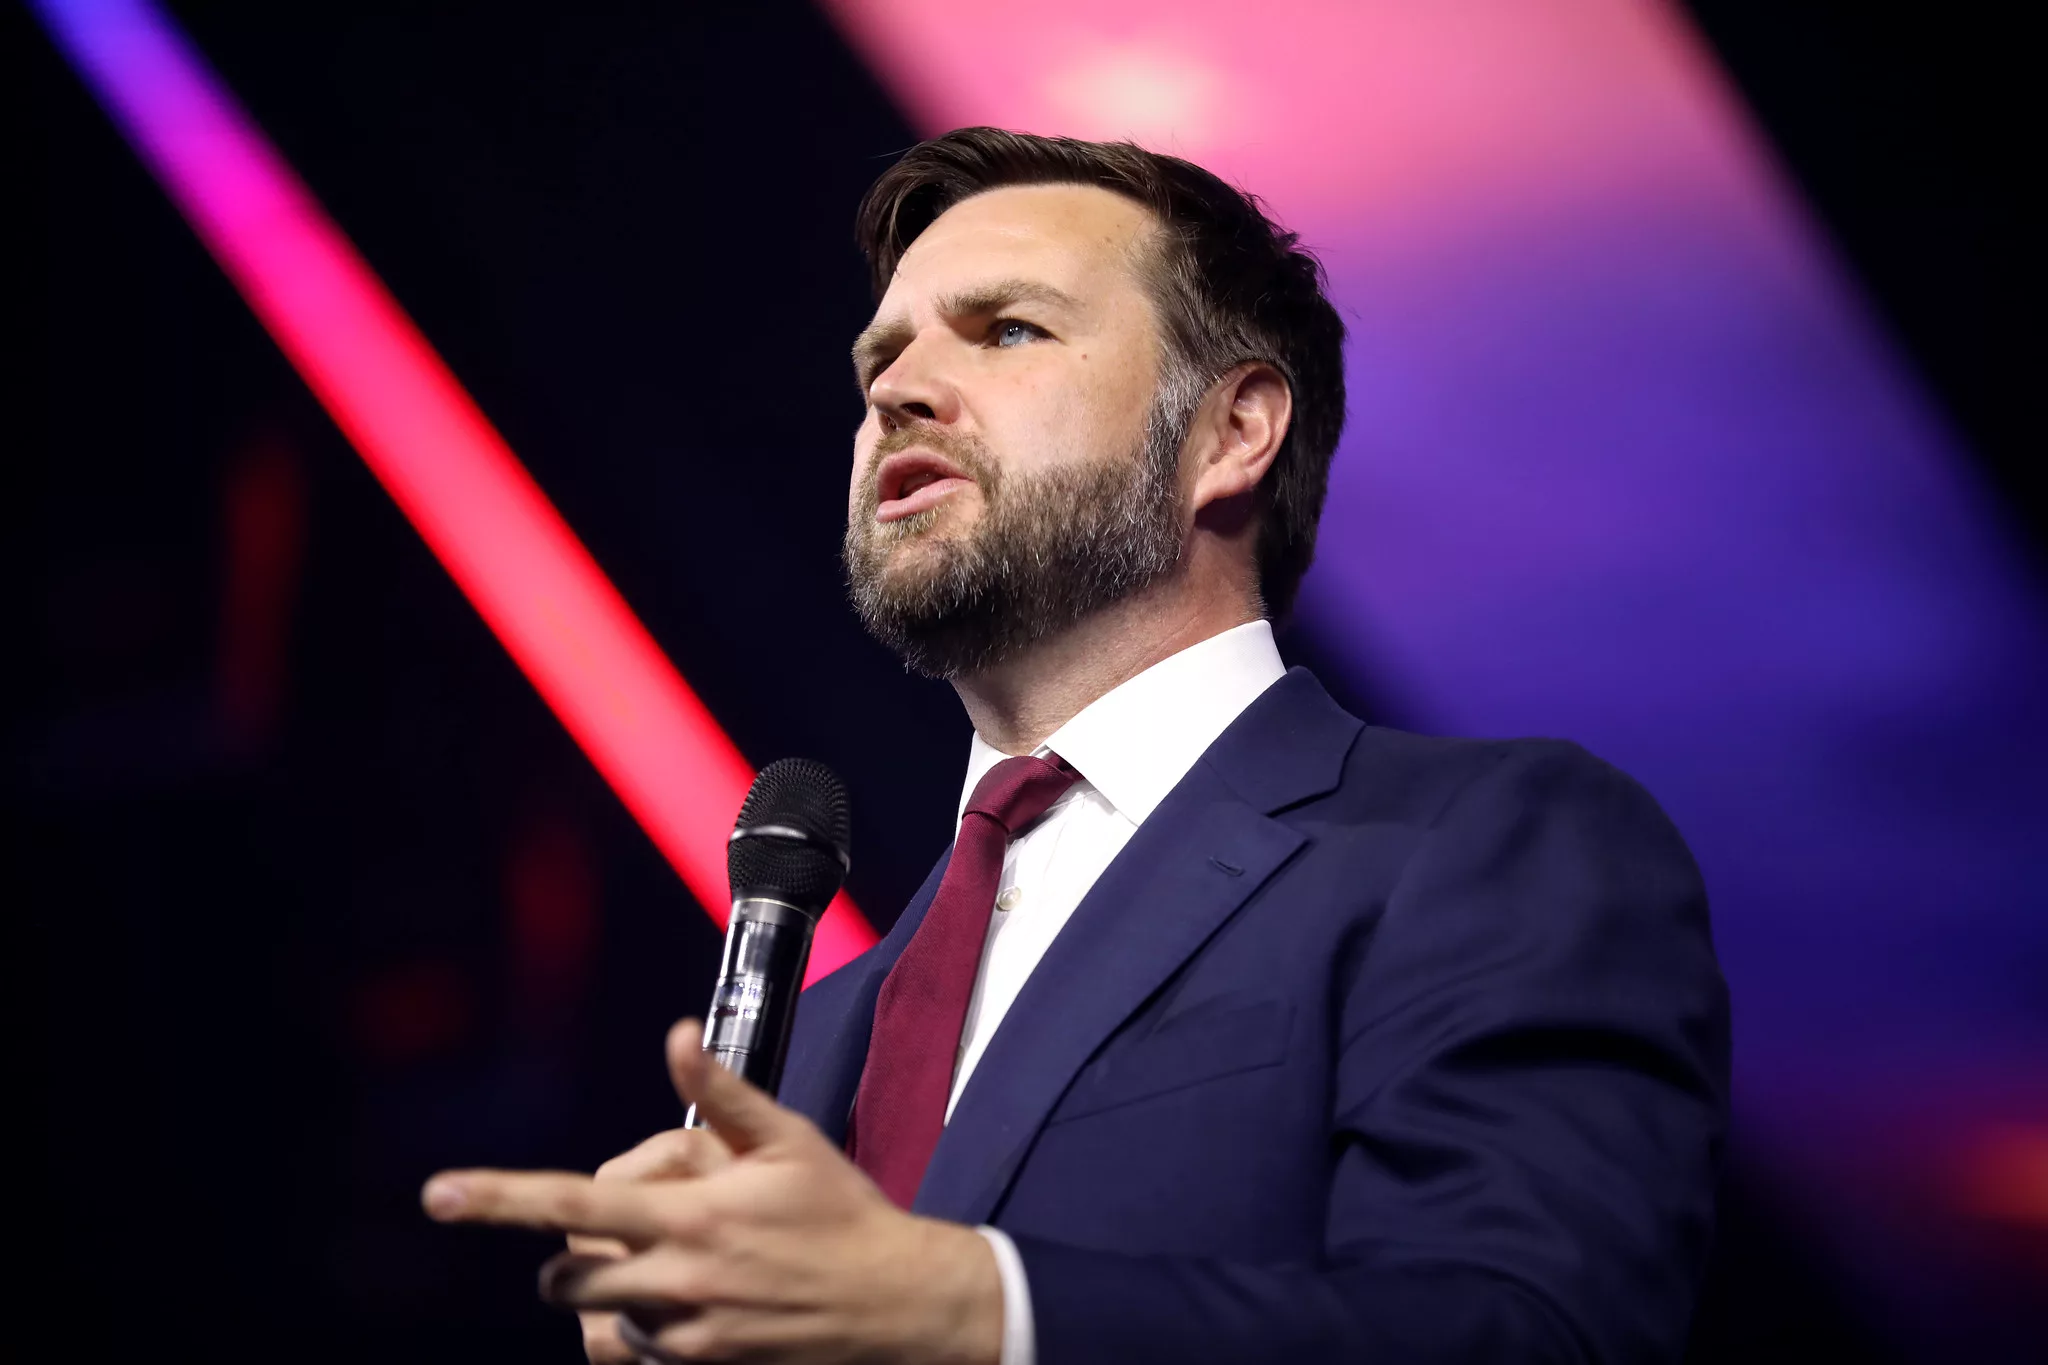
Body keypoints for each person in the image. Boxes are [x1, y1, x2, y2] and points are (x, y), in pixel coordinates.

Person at [423, 127, 1731, 1365]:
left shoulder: (1485, 847)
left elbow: (1531, 1333)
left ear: (1233, 432)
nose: (900, 390)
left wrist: (970, 1306)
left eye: (1007, 331)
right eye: (881, 360)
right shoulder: (821, 1038)